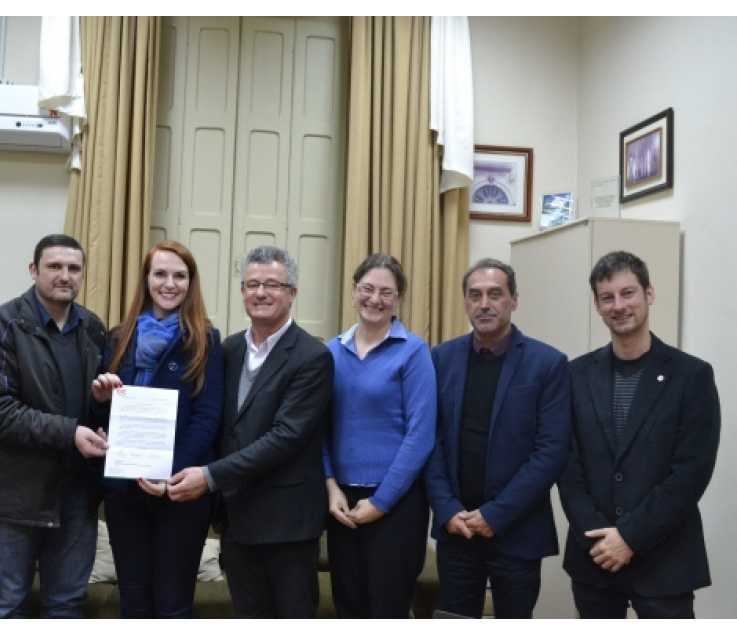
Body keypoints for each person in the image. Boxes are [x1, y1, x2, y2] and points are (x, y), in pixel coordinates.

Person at [167, 245, 334, 618]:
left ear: (292, 293)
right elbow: (212, 421)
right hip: (237, 520)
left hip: (287, 525)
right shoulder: (228, 350)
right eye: (252, 284)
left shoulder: (313, 357)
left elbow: (285, 437)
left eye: (272, 284)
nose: (261, 293)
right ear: (242, 292)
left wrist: (209, 477)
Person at [558, 251, 720, 618]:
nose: (619, 305)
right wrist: (599, 537)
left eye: (628, 293)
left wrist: (630, 537)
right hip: (594, 560)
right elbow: (567, 468)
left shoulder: (691, 376)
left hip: (666, 563)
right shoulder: (574, 375)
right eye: (607, 297)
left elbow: (691, 473)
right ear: (597, 306)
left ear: (649, 294)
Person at [0, 234, 108, 618]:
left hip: (76, 497)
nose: (64, 276)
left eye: (73, 268)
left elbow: (93, 409)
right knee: (8, 607)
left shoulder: (93, 329)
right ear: (34, 271)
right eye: (54, 267)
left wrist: (102, 412)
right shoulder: (2, 325)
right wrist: (70, 433)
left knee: (66, 606)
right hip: (14, 498)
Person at [424, 257, 570, 619]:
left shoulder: (548, 364)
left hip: (517, 533)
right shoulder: (441, 358)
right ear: (465, 303)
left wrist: (495, 514)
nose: (484, 304)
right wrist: (446, 509)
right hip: (457, 532)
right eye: (475, 295)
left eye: (495, 294)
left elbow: (550, 451)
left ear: (514, 300)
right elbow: (430, 439)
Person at [90, 241, 223, 618]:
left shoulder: (206, 341)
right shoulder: (118, 338)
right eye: (160, 274)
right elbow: (100, 415)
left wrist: (169, 475)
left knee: (173, 604)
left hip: (180, 492)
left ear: (190, 283)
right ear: (146, 280)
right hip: (123, 493)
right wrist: (100, 399)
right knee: (133, 602)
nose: (169, 284)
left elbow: (208, 418)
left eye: (179, 276)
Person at [323, 253, 436, 618]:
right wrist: (331, 488)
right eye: (367, 289)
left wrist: (382, 501)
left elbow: (420, 434)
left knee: (387, 611)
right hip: (342, 504)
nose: (375, 299)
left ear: (398, 298)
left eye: (386, 292)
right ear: (353, 292)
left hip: (396, 505)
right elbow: (318, 428)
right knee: (349, 607)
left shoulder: (414, 351)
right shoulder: (330, 351)